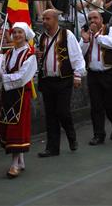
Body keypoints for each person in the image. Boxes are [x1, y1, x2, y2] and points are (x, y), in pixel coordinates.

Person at [37, 9, 86, 157]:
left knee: (62, 111)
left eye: (47, 19)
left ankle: (71, 136)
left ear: (55, 20)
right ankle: (52, 148)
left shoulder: (67, 35)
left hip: (63, 79)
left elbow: (76, 56)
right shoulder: (42, 38)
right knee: (50, 114)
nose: (44, 21)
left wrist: (78, 75)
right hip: (47, 80)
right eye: (43, 19)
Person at [0, 22, 37, 178]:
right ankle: (20, 160)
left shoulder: (30, 54)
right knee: (10, 126)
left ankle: (14, 164)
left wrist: (3, 76)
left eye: (20, 32)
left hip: (20, 95)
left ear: (25, 35)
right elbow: (3, 70)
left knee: (17, 128)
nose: (17, 35)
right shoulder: (9, 53)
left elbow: (23, 77)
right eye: (14, 32)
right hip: (9, 95)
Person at [79, 10, 112, 145]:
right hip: (93, 73)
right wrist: (85, 41)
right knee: (96, 105)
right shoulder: (86, 32)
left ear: (101, 19)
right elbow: (80, 52)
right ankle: (98, 134)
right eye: (90, 18)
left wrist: (97, 35)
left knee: (109, 104)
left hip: (108, 73)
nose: (92, 21)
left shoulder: (110, 29)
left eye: (95, 18)